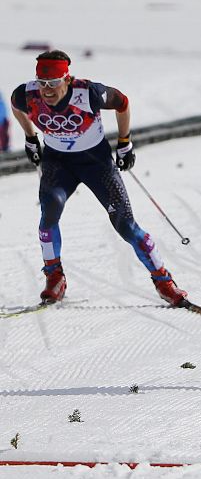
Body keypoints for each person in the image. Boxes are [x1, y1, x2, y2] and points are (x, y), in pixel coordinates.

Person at [10, 50, 190, 306]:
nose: (47, 90)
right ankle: (54, 277)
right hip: (58, 163)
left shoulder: (89, 93)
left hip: (96, 163)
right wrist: (30, 137)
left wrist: (125, 142)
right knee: (50, 210)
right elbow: (16, 105)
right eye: (42, 83)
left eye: (53, 83)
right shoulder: (26, 95)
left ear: (67, 79)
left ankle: (164, 282)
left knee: (126, 226)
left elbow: (123, 103)